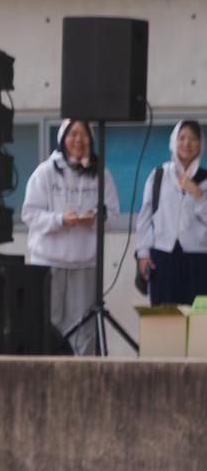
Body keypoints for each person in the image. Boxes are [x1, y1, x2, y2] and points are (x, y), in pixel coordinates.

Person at [21, 119, 121, 355]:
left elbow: (113, 215)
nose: (78, 140)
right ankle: (46, 373)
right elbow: (29, 214)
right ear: (63, 138)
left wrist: (95, 218)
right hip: (48, 263)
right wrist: (59, 220)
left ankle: (83, 377)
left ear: (91, 139)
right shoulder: (45, 172)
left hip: (85, 264)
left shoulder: (101, 174)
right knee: (48, 323)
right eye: (73, 134)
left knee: (84, 327)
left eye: (83, 135)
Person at [136, 118, 207, 308]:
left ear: (201, 144)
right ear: (173, 141)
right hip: (163, 256)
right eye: (182, 137)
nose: (186, 143)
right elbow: (145, 217)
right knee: (163, 316)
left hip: (198, 258)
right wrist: (143, 254)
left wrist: (198, 195)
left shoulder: (205, 179)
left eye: (193, 138)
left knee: (198, 320)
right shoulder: (159, 175)